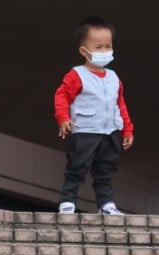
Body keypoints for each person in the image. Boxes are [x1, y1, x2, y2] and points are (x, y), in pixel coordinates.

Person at [54, 16, 134, 215]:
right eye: (99, 47)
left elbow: (120, 104)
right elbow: (61, 95)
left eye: (108, 46)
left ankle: (105, 203)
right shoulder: (76, 75)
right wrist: (63, 118)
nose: (105, 51)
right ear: (84, 51)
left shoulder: (114, 77)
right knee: (77, 166)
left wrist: (127, 128)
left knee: (106, 169)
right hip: (85, 130)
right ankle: (68, 200)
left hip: (110, 132)